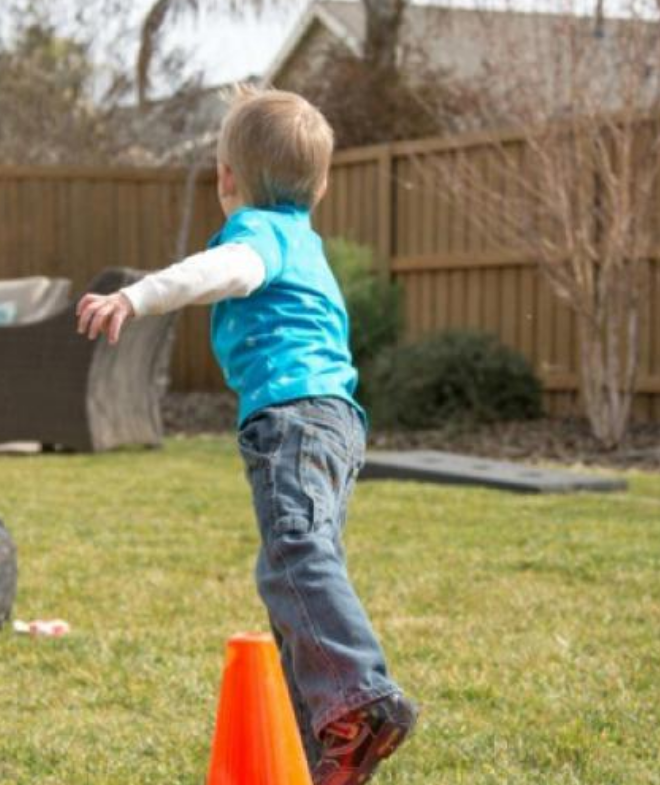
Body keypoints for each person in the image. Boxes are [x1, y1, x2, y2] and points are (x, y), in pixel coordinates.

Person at [76, 85, 417, 785]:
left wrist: (133, 297)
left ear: (226, 179)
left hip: (293, 419)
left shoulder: (257, 234)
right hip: (334, 422)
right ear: (321, 183)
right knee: (293, 578)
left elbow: (223, 272)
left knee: (292, 555)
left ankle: (361, 695)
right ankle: (321, 750)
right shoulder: (306, 241)